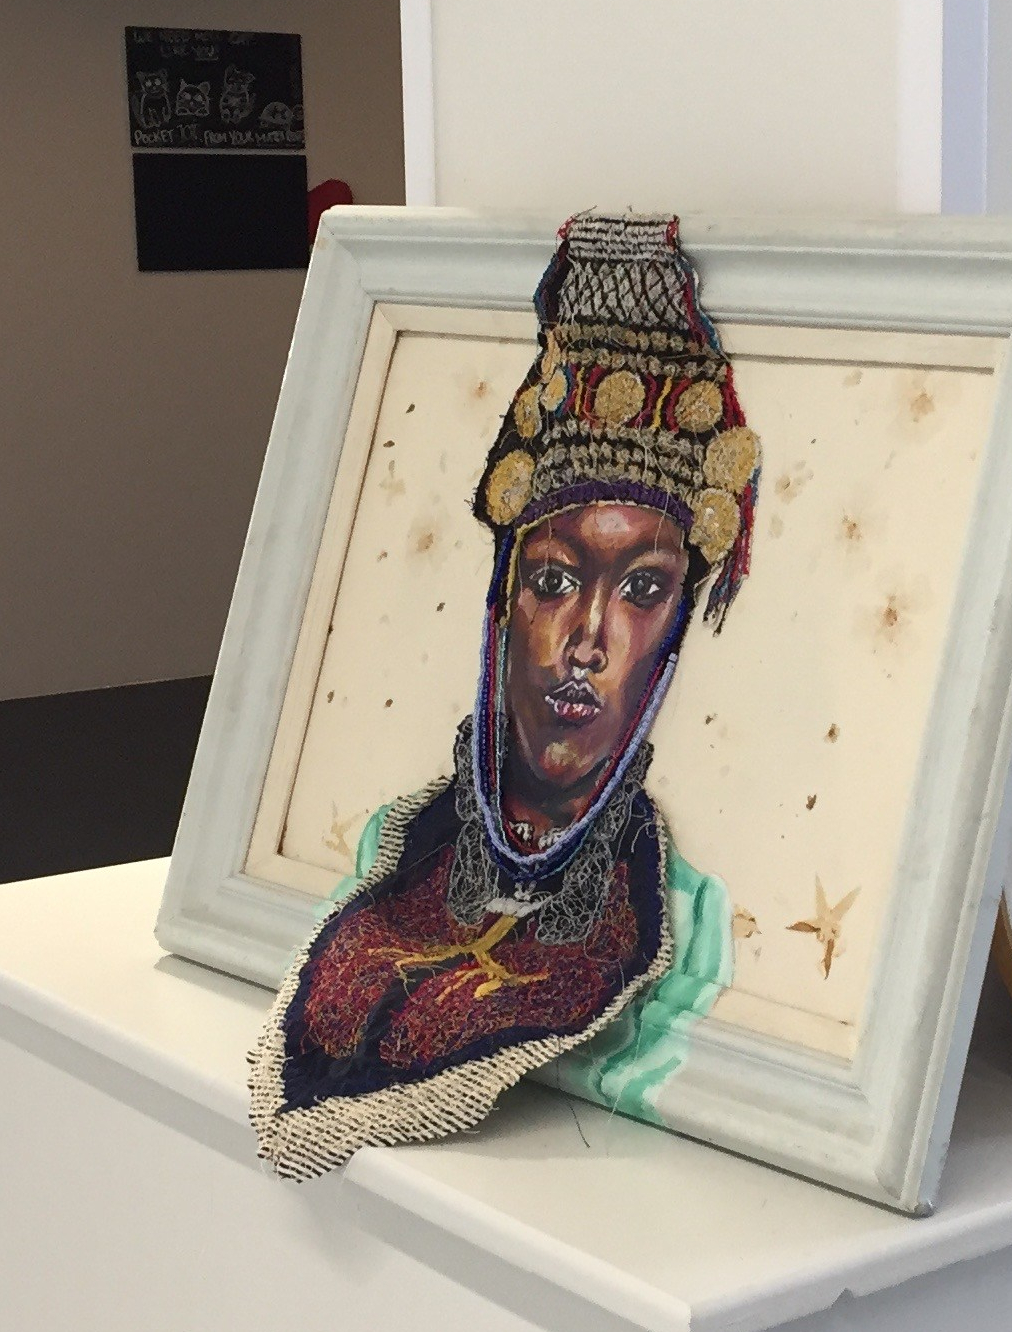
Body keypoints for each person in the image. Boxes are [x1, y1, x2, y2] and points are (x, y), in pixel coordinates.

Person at [250, 213, 755, 1179]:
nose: (587, 641)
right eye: (554, 580)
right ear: (502, 604)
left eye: (643, 590)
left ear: (675, 631)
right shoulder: (390, 844)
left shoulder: (686, 913)